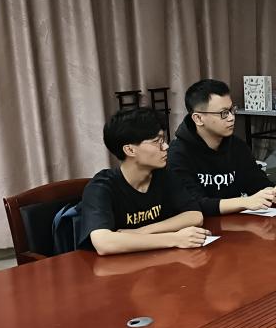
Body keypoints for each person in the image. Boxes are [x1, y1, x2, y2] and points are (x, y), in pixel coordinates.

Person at [79, 107, 208, 255]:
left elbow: (194, 215)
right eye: (157, 141)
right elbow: (103, 243)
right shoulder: (101, 187)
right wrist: (175, 239)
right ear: (130, 150)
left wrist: (142, 231)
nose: (166, 146)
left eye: (163, 140)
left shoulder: (164, 174)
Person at [168, 79, 276, 215]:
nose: (231, 118)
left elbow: (257, 183)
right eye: (223, 113)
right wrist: (244, 202)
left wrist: (273, 192)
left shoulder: (237, 146)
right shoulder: (178, 153)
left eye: (231, 110)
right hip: (199, 226)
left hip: (237, 222)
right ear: (198, 118)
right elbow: (193, 204)